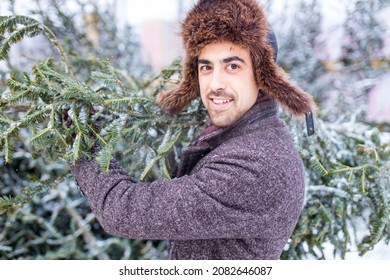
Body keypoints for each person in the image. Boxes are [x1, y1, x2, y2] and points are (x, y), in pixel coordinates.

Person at [70, 0, 316, 260]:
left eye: (233, 66)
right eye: (206, 67)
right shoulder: (242, 134)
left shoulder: (256, 165)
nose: (214, 84)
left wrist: (80, 141)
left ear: (263, 76)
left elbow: (122, 211)